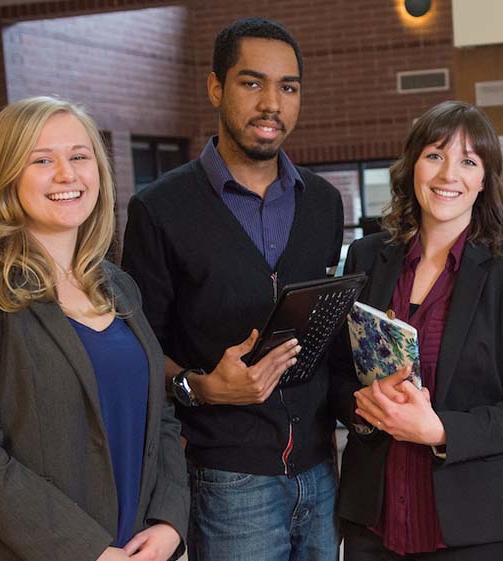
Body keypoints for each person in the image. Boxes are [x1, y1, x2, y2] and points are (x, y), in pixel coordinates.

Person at [0, 96, 188, 561]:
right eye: (42, 160)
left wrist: (168, 521)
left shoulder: (116, 285)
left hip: (136, 547)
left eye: (79, 157)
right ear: (6, 176)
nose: (67, 174)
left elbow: (158, 418)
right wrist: (87, 551)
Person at [120, 17, 344, 561]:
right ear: (216, 87)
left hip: (319, 471)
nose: (272, 102)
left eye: (287, 87)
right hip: (227, 480)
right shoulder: (160, 209)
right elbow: (141, 354)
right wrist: (205, 388)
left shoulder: (323, 203)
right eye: (252, 83)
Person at [330, 100, 503, 561]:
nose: (448, 174)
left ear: (483, 181)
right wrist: (358, 405)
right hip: (373, 524)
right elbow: (334, 373)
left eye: (468, 162)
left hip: (475, 528)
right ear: (413, 165)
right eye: (435, 155)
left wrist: (441, 430)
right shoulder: (365, 257)